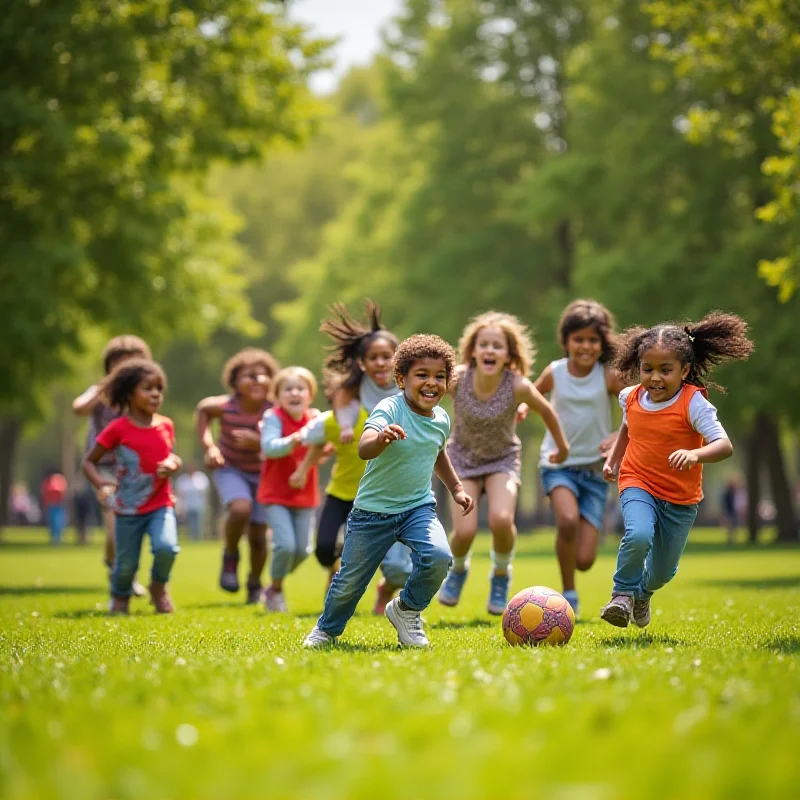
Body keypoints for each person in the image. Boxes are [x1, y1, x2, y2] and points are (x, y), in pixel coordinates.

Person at [303, 334, 474, 649]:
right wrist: (381, 438)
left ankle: (407, 609)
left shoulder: (441, 419)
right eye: (422, 375)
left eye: (440, 376)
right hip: (372, 512)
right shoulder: (389, 407)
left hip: (417, 508)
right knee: (350, 583)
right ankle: (326, 630)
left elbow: (438, 454)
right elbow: (364, 449)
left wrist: (457, 488)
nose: (431, 383)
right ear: (402, 378)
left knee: (438, 557)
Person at [600, 312, 753, 628]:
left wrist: (695, 454)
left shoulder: (693, 403)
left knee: (663, 572)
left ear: (684, 370)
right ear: (638, 366)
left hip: (680, 498)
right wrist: (613, 460)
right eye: (647, 369)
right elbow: (628, 428)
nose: (655, 378)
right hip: (637, 479)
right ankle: (622, 595)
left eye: (665, 370)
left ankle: (642, 593)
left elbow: (723, 445)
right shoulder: (631, 397)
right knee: (638, 533)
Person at [437, 311, 569, 615]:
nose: (489, 350)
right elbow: (425, 394)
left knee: (499, 519)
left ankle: (500, 574)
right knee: (465, 532)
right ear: (472, 351)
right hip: (462, 460)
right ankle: (457, 570)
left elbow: (548, 413)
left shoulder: (518, 386)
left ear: (508, 354)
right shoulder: (456, 379)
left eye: (497, 346)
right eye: (484, 344)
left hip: (502, 461)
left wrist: (562, 449)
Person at [533, 299, 626, 617]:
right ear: (566, 341)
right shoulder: (556, 372)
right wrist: (520, 408)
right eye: (578, 339)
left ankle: (573, 569)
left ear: (602, 343)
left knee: (586, 558)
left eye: (592, 340)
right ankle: (568, 592)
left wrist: (617, 437)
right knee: (568, 520)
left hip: (597, 472)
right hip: (557, 464)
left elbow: (638, 411)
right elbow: (532, 394)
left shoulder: (608, 376)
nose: (585, 346)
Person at [290, 405, 413, 615]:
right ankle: (333, 568)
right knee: (323, 549)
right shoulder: (330, 421)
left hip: (366, 497)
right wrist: (302, 470)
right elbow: (317, 443)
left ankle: (358, 590)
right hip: (337, 492)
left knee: (356, 550)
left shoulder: (375, 413)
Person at [82, 358, 182, 615]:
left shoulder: (166, 425)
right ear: (128, 393)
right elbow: (89, 463)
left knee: (167, 547)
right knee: (125, 564)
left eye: (159, 388)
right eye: (147, 388)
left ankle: (158, 588)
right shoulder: (117, 429)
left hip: (161, 503)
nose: (155, 394)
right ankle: (120, 596)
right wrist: (102, 484)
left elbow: (172, 455)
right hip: (128, 508)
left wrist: (173, 463)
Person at [196, 348, 279, 604]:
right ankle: (230, 555)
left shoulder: (275, 409)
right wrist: (209, 446)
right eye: (249, 375)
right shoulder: (225, 406)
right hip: (230, 468)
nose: (257, 380)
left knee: (258, 536)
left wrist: (260, 444)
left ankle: (254, 583)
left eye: (263, 375)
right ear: (234, 383)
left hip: (264, 473)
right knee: (240, 508)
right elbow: (202, 410)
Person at [73, 335, 152, 593]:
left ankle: (123, 571)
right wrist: (104, 390)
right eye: (120, 362)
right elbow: (79, 408)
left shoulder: (143, 393)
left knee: (132, 522)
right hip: (103, 467)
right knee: (114, 521)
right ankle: (117, 568)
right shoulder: (100, 391)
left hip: (134, 467)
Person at [258, 366, 321, 612]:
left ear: (310, 395)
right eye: (288, 389)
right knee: (284, 546)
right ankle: (274, 589)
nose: (294, 393)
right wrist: (295, 438)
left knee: (303, 551)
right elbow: (270, 447)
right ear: (277, 396)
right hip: (276, 494)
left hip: (305, 495)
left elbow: (323, 445)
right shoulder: (272, 418)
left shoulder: (315, 419)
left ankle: (277, 575)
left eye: (300, 389)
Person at [321, 300, 400, 444]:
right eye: (373, 358)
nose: (380, 363)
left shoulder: (408, 382)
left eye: (386, 357)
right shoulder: (357, 385)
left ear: (399, 358)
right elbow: (342, 400)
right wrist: (346, 427)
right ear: (361, 363)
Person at [175, 463, 210, 541]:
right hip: (187, 506)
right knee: (190, 523)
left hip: (199, 505)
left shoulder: (201, 478)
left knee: (198, 523)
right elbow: (180, 494)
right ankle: (192, 538)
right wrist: (180, 506)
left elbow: (205, 492)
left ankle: (197, 538)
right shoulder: (182, 479)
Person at [40, 470, 68, 545]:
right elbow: (45, 493)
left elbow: (61, 491)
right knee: (52, 523)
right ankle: (54, 538)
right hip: (50, 506)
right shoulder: (47, 481)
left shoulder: (59, 479)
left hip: (58, 506)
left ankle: (58, 538)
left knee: (58, 523)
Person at [720, 475, 744, 545]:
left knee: (734, 526)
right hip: (729, 511)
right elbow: (724, 503)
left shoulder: (737, 492)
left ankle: (733, 539)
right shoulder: (727, 493)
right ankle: (730, 539)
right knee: (729, 526)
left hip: (735, 511)